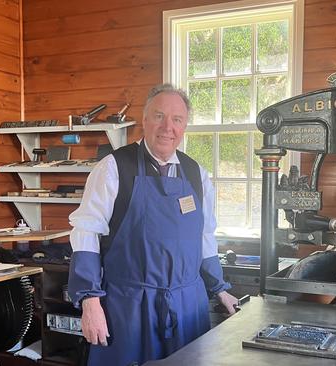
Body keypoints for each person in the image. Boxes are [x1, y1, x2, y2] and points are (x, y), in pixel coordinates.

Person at [67, 84, 239, 365]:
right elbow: (86, 232)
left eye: (177, 119)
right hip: (129, 306)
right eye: (159, 116)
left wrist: (219, 288)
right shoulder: (113, 168)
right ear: (145, 120)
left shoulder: (198, 174)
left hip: (187, 308)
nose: (167, 127)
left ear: (185, 126)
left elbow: (205, 236)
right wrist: (90, 301)